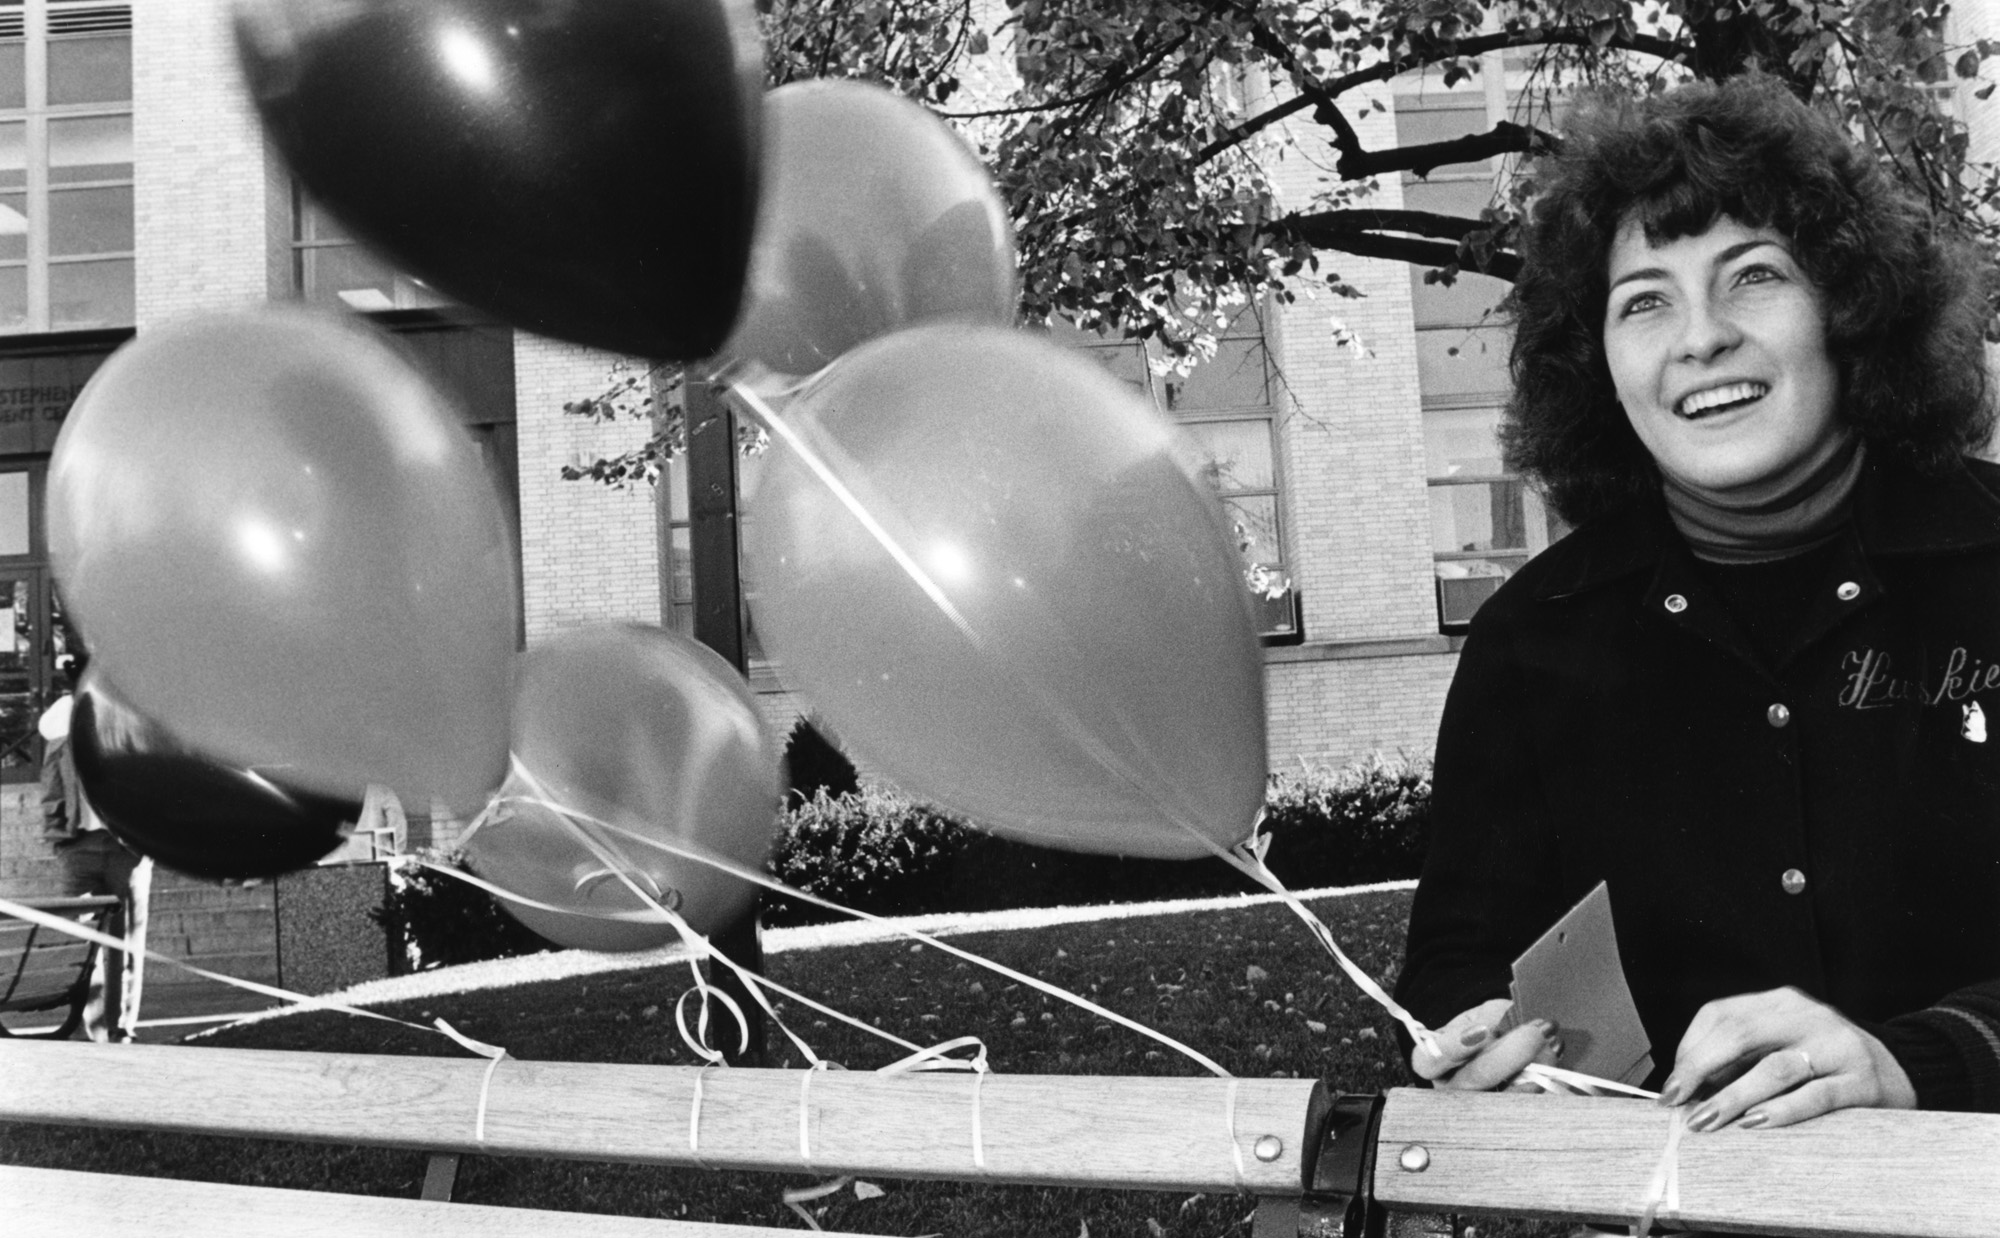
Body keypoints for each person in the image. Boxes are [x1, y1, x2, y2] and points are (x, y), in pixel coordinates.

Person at [1393, 74, 2000, 1130]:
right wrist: (1472, 1047)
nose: (1700, 337)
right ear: (1597, 362)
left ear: (1851, 308)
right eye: (1644, 300)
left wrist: (1918, 1061)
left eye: (1753, 275)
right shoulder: (1530, 637)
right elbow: (1457, 965)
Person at [40, 655, 152, 1042]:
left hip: (125, 848)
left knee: (125, 944)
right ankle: (92, 1030)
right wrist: (60, 838)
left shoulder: (132, 721)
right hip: (80, 846)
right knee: (80, 945)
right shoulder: (63, 721)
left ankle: (119, 1029)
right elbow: (52, 784)